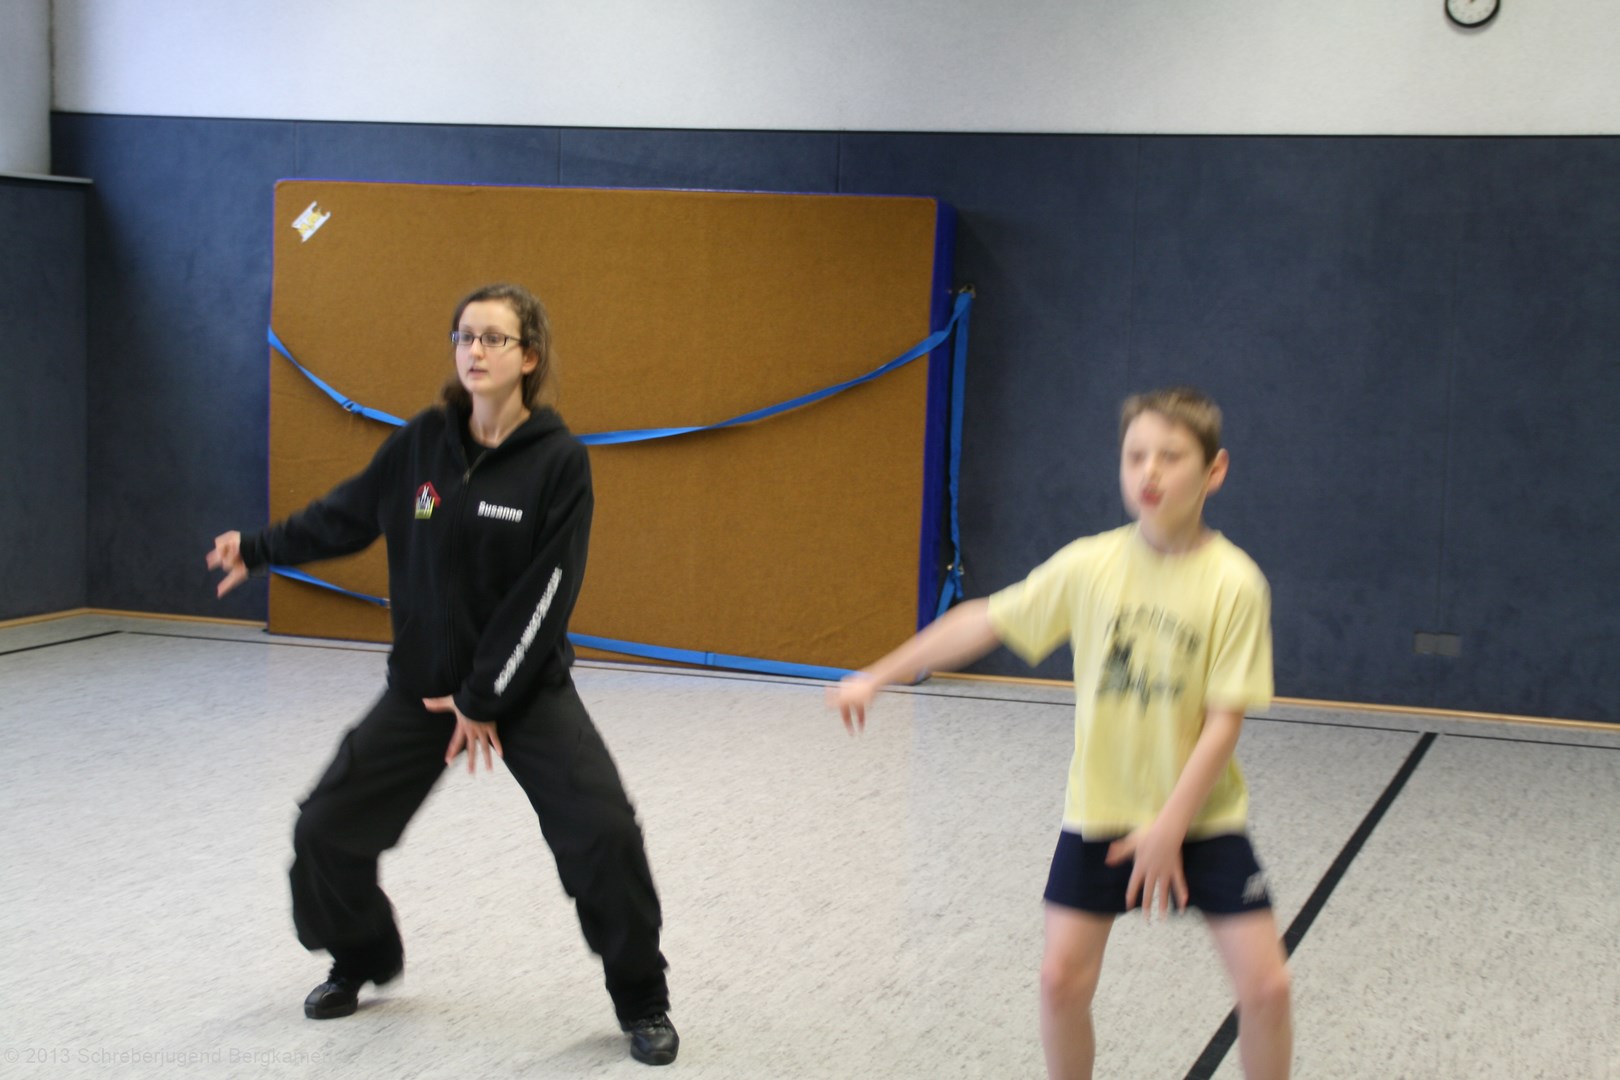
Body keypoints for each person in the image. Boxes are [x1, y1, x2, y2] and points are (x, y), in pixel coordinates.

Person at [207, 283, 678, 1066]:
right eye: (465, 336)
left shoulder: (558, 462)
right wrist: (257, 549)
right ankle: (361, 954)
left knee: (604, 834)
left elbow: (547, 594)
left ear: (530, 357)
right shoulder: (420, 444)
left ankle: (643, 999)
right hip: (422, 688)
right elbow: (346, 514)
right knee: (324, 831)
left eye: (494, 338)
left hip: (522, 693)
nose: (475, 351)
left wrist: (483, 697)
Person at [829, 387, 1292, 1079]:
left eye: (1170, 456)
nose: (1150, 472)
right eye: (1135, 456)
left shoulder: (1236, 583)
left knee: (1268, 989)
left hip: (1200, 817)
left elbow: (1224, 724)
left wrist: (1170, 827)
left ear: (1214, 470)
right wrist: (878, 673)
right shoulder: (1090, 564)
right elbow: (984, 619)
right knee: (1059, 983)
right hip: (1100, 812)